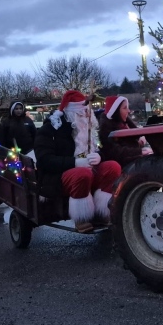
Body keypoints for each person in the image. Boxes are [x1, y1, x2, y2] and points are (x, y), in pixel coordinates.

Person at [34, 90, 121, 233]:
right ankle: (81, 217)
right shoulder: (49, 129)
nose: (85, 116)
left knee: (113, 167)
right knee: (82, 174)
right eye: (81, 113)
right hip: (58, 177)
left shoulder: (89, 129)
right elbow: (44, 160)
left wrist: (99, 156)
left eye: (87, 113)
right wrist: (75, 163)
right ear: (70, 114)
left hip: (90, 170)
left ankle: (102, 212)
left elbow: (101, 149)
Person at [99, 95, 152, 167]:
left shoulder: (125, 121)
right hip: (124, 165)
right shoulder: (106, 128)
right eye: (125, 108)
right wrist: (139, 152)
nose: (128, 111)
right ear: (115, 111)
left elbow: (136, 132)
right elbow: (114, 151)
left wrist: (140, 137)